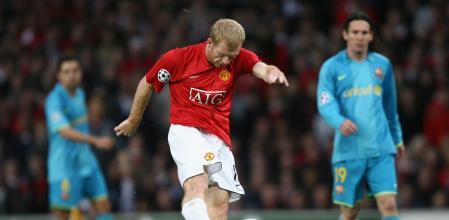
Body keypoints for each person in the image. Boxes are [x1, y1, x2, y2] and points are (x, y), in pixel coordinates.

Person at [114, 18, 289, 220]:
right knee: (197, 183)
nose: (226, 62)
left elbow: (261, 68)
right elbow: (146, 83)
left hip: (218, 138)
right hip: (186, 130)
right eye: (221, 55)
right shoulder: (178, 59)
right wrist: (133, 120)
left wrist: (271, 71)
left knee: (220, 202)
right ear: (209, 42)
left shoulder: (239, 58)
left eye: (231, 57)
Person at [317, 12, 405, 220]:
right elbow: (325, 102)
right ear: (345, 34)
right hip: (348, 152)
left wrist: (397, 138)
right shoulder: (331, 67)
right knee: (349, 212)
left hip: (381, 149)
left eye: (364, 32)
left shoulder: (382, 65)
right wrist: (339, 121)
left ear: (371, 36)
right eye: (355, 32)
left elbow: (390, 108)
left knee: (389, 204)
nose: (360, 36)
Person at [45, 56, 115, 220]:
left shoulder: (80, 94)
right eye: (66, 72)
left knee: (103, 205)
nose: (72, 75)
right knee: (63, 214)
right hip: (64, 166)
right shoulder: (54, 99)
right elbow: (64, 131)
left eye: (75, 71)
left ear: (81, 73)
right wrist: (96, 140)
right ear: (59, 76)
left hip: (86, 161)